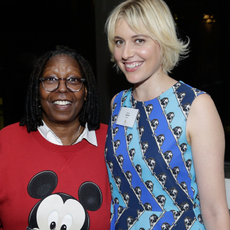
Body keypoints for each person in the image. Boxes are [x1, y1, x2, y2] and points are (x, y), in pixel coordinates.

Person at [104, 0, 230, 229]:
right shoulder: (118, 103)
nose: (125, 53)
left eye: (139, 40)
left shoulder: (195, 105)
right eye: (119, 42)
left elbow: (214, 210)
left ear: (162, 41)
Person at [0, 46, 111, 230]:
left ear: (86, 91)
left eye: (73, 80)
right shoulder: (5, 142)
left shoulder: (113, 142)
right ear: (37, 90)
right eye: (51, 79)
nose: (62, 88)